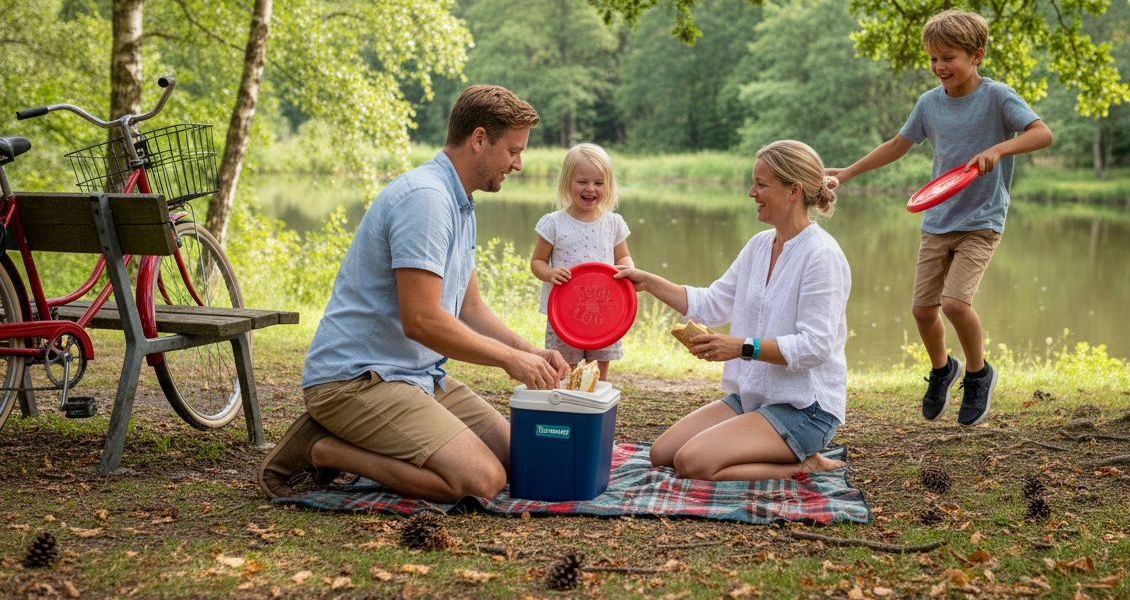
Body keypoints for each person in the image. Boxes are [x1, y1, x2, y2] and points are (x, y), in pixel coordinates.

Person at [258, 85, 569, 502]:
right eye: (513, 150)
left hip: (417, 377)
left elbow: (470, 308)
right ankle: (323, 450)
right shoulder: (426, 200)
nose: (518, 164)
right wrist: (509, 361)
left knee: (524, 460)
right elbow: (422, 319)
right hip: (356, 381)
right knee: (481, 482)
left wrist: (529, 352)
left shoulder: (460, 204)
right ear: (479, 139)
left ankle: (346, 434)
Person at [827, 9, 1052, 427]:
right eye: (933, 59)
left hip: (981, 220)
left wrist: (999, 150)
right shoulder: (929, 103)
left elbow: (1042, 133)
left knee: (953, 302)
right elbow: (898, 145)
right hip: (937, 219)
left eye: (948, 57)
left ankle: (978, 372)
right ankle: (942, 369)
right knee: (923, 310)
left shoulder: (998, 96)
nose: (939, 67)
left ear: (976, 55)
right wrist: (848, 172)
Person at [615, 140, 850, 480]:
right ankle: (775, 450)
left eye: (761, 184)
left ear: (793, 191)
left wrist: (741, 347)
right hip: (755, 398)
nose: (751, 192)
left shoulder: (821, 256)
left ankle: (805, 464)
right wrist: (648, 282)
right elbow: (710, 304)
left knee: (693, 463)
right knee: (662, 454)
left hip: (805, 409)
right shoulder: (758, 246)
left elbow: (815, 347)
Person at [530, 143, 633, 382]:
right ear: (568, 182)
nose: (590, 188)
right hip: (565, 313)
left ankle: (595, 410)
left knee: (598, 374)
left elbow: (623, 256)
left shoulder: (613, 223)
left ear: (608, 185)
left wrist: (628, 267)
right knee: (567, 371)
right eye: (582, 181)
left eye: (598, 183)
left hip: (604, 313)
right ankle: (569, 409)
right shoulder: (554, 223)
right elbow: (537, 262)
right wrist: (550, 273)